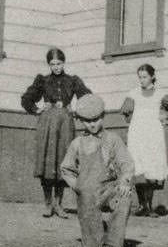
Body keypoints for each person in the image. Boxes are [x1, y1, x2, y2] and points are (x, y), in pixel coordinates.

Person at [21, 46, 91, 217]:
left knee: (63, 161)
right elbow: (26, 98)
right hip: (48, 124)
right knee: (48, 162)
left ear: (64, 63)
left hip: (66, 124)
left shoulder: (72, 80)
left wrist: (76, 110)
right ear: (48, 65)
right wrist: (37, 109)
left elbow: (87, 97)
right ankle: (47, 204)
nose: (56, 67)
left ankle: (59, 204)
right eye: (52, 64)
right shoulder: (43, 80)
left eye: (59, 63)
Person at [60, 94, 134, 247]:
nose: (92, 124)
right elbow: (66, 169)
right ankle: (93, 243)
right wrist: (77, 186)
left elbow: (126, 163)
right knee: (87, 206)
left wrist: (125, 181)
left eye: (96, 119)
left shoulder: (113, 139)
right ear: (81, 120)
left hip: (110, 188)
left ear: (103, 116)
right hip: (88, 190)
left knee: (124, 197)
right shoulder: (77, 143)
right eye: (87, 121)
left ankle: (113, 242)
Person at [120, 63, 168, 217]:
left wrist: (165, 116)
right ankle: (142, 205)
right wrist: (130, 120)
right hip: (138, 134)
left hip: (153, 135)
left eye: (145, 77)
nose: (142, 80)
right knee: (138, 167)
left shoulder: (160, 94)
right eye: (140, 77)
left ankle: (149, 206)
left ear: (152, 77)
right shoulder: (134, 93)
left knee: (151, 167)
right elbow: (125, 111)